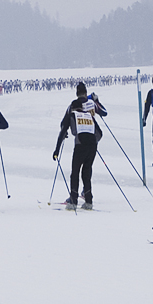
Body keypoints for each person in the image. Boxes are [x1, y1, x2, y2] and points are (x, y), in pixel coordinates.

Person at [53, 82, 107, 210]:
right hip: (93, 145)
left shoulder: (72, 112)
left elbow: (62, 129)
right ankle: (88, 201)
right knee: (86, 173)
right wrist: (92, 141)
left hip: (80, 145)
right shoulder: (89, 113)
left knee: (75, 173)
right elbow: (100, 131)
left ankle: (73, 200)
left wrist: (56, 150)